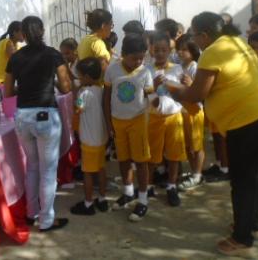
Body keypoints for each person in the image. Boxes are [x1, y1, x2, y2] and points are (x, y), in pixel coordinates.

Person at [169, 12, 258, 256]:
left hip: (248, 120)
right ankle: (251, 223)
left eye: (195, 35)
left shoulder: (213, 51)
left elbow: (197, 94)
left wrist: (173, 89)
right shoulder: (237, 42)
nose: (194, 40)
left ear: (204, 35)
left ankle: (242, 237)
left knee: (242, 179)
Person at [4, 16, 71, 232]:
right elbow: (66, 87)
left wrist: (25, 88)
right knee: (48, 170)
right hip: (46, 116)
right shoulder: (53, 54)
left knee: (32, 166)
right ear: (42, 30)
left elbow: (7, 92)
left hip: (23, 116)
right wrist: (50, 83)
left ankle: (31, 213)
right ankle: (46, 220)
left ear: (22, 33)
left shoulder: (15, 58)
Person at [104, 34, 153, 222]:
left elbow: (151, 97)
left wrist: (159, 101)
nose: (138, 61)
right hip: (117, 121)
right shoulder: (112, 70)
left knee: (141, 161)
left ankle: (142, 200)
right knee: (123, 159)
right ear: (123, 54)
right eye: (134, 58)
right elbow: (106, 97)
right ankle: (127, 192)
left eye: (142, 57)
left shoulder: (145, 72)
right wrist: (108, 123)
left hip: (138, 121)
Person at [146, 32, 186, 207]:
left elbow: (183, 91)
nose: (160, 53)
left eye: (164, 50)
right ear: (151, 50)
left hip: (173, 117)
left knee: (174, 153)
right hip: (154, 117)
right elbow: (143, 93)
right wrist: (153, 86)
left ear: (170, 51)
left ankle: (171, 186)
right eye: (157, 50)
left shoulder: (177, 69)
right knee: (152, 155)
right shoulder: (147, 69)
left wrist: (176, 84)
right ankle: (147, 186)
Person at [70, 58, 109, 215]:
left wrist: (74, 92)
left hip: (89, 141)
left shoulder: (84, 93)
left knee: (87, 173)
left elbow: (77, 109)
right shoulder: (100, 90)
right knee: (101, 169)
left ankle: (88, 203)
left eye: (79, 75)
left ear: (86, 76)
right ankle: (102, 198)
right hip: (101, 139)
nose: (79, 78)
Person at [175, 34, 206, 191]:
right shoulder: (180, 66)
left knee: (197, 145)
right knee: (188, 145)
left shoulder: (195, 66)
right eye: (179, 49)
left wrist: (191, 84)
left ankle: (197, 174)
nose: (180, 52)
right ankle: (194, 172)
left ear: (193, 51)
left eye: (184, 49)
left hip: (194, 111)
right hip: (183, 111)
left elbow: (200, 89)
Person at [78, 9, 113, 77]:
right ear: (103, 26)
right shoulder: (98, 43)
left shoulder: (84, 40)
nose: (111, 28)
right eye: (111, 24)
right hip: (99, 86)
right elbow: (105, 68)